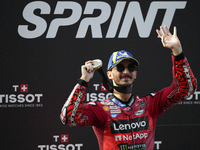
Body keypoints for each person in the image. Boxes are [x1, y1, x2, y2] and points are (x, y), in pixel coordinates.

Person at [60, 26, 197, 150]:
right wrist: (84, 80)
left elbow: (186, 89)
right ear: (109, 74)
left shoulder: (150, 104)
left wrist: (177, 52)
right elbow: (68, 118)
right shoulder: (100, 109)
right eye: (120, 67)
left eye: (131, 67)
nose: (126, 71)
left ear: (135, 74)